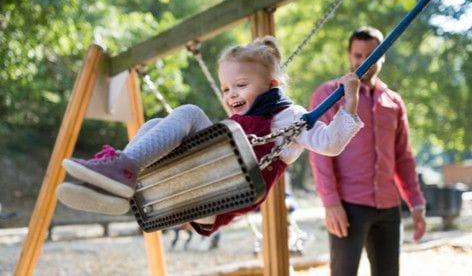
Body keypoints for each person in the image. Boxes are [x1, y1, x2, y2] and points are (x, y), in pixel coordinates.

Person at [56, 36, 364, 236]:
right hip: (210, 189)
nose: (231, 95)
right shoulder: (246, 117)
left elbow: (331, 143)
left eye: (241, 85)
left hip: (233, 187)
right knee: (153, 126)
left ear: (272, 84)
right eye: (227, 88)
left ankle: (122, 170)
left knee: (189, 112)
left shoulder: (289, 115)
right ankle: (117, 183)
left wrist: (350, 100)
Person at [308, 26, 426, 276]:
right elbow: (319, 154)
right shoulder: (329, 95)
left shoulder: (393, 102)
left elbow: (403, 156)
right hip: (349, 206)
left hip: (388, 207)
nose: (363, 62)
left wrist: (415, 202)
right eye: (357, 55)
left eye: (371, 55)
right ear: (349, 56)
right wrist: (330, 203)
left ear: (383, 55)